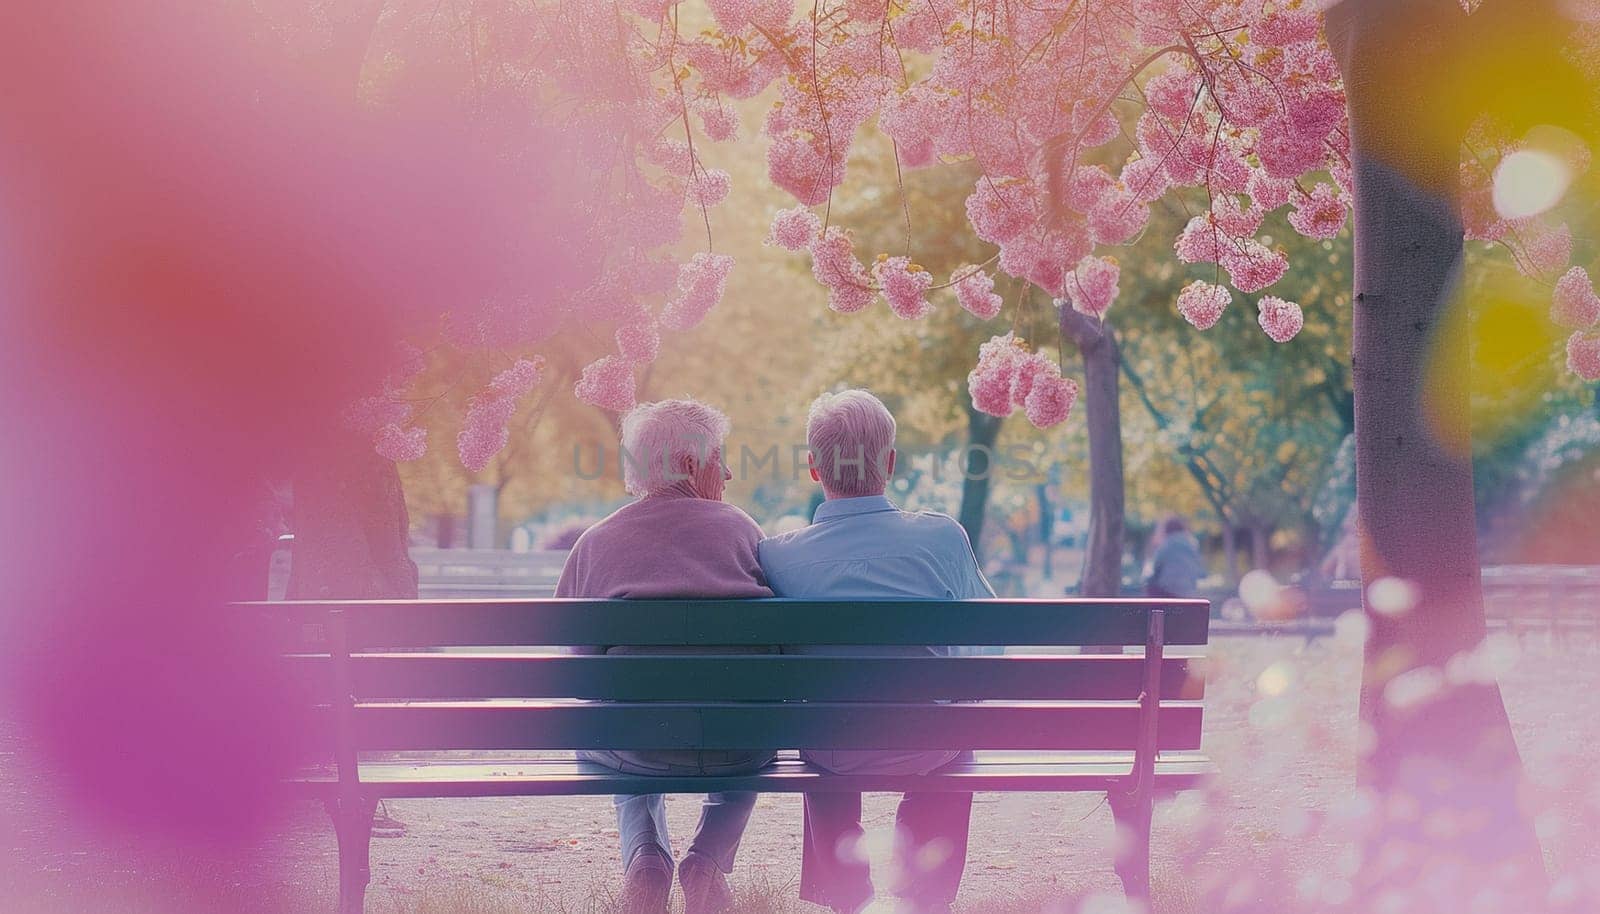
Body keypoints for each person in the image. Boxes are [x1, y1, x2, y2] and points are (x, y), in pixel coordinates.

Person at [758, 389, 993, 914]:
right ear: (889, 463)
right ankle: (925, 893)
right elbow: (989, 644)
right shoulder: (942, 538)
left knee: (819, 731)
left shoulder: (777, 557)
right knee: (955, 735)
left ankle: (846, 896)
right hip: (929, 743)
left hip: (833, 749)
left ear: (814, 469)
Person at [555, 399, 774, 914]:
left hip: (638, 748)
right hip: (737, 747)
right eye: (721, 457)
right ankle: (709, 857)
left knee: (607, 719)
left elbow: (580, 674)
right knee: (762, 728)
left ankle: (647, 857)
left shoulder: (595, 543)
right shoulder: (746, 533)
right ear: (694, 464)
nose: (730, 470)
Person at [1145, 514, 1204, 599]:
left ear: (1167, 529)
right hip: (1188, 591)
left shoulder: (1167, 543)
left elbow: (1156, 566)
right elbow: (1200, 570)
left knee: (1150, 585)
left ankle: (1152, 610)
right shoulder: (1192, 543)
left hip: (1168, 591)